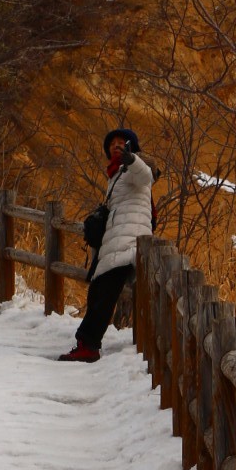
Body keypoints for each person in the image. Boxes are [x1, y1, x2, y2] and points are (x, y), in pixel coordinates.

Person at [59, 127, 154, 362]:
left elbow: (146, 176)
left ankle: (89, 346)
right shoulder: (116, 175)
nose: (116, 145)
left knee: (104, 295)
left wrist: (132, 159)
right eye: (112, 143)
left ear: (131, 146)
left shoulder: (134, 167)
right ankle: (86, 344)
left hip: (129, 240)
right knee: (97, 292)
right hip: (116, 240)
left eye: (122, 142)